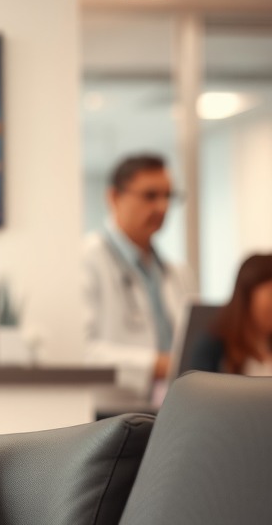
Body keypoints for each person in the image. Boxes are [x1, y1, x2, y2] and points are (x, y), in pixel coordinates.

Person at [83, 154, 195, 405]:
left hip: (172, 411)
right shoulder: (86, 261)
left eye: (168, 196)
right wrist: (158, 364)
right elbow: (81, 351)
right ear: (114, 197)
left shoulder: (177, 273)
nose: (162, 207)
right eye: (150, 196)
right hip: (109, 416)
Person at [186, 254, 272, 376]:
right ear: (247, 296)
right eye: (270, 294)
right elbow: (198, 393)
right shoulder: (212, 347)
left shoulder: (267, 343)